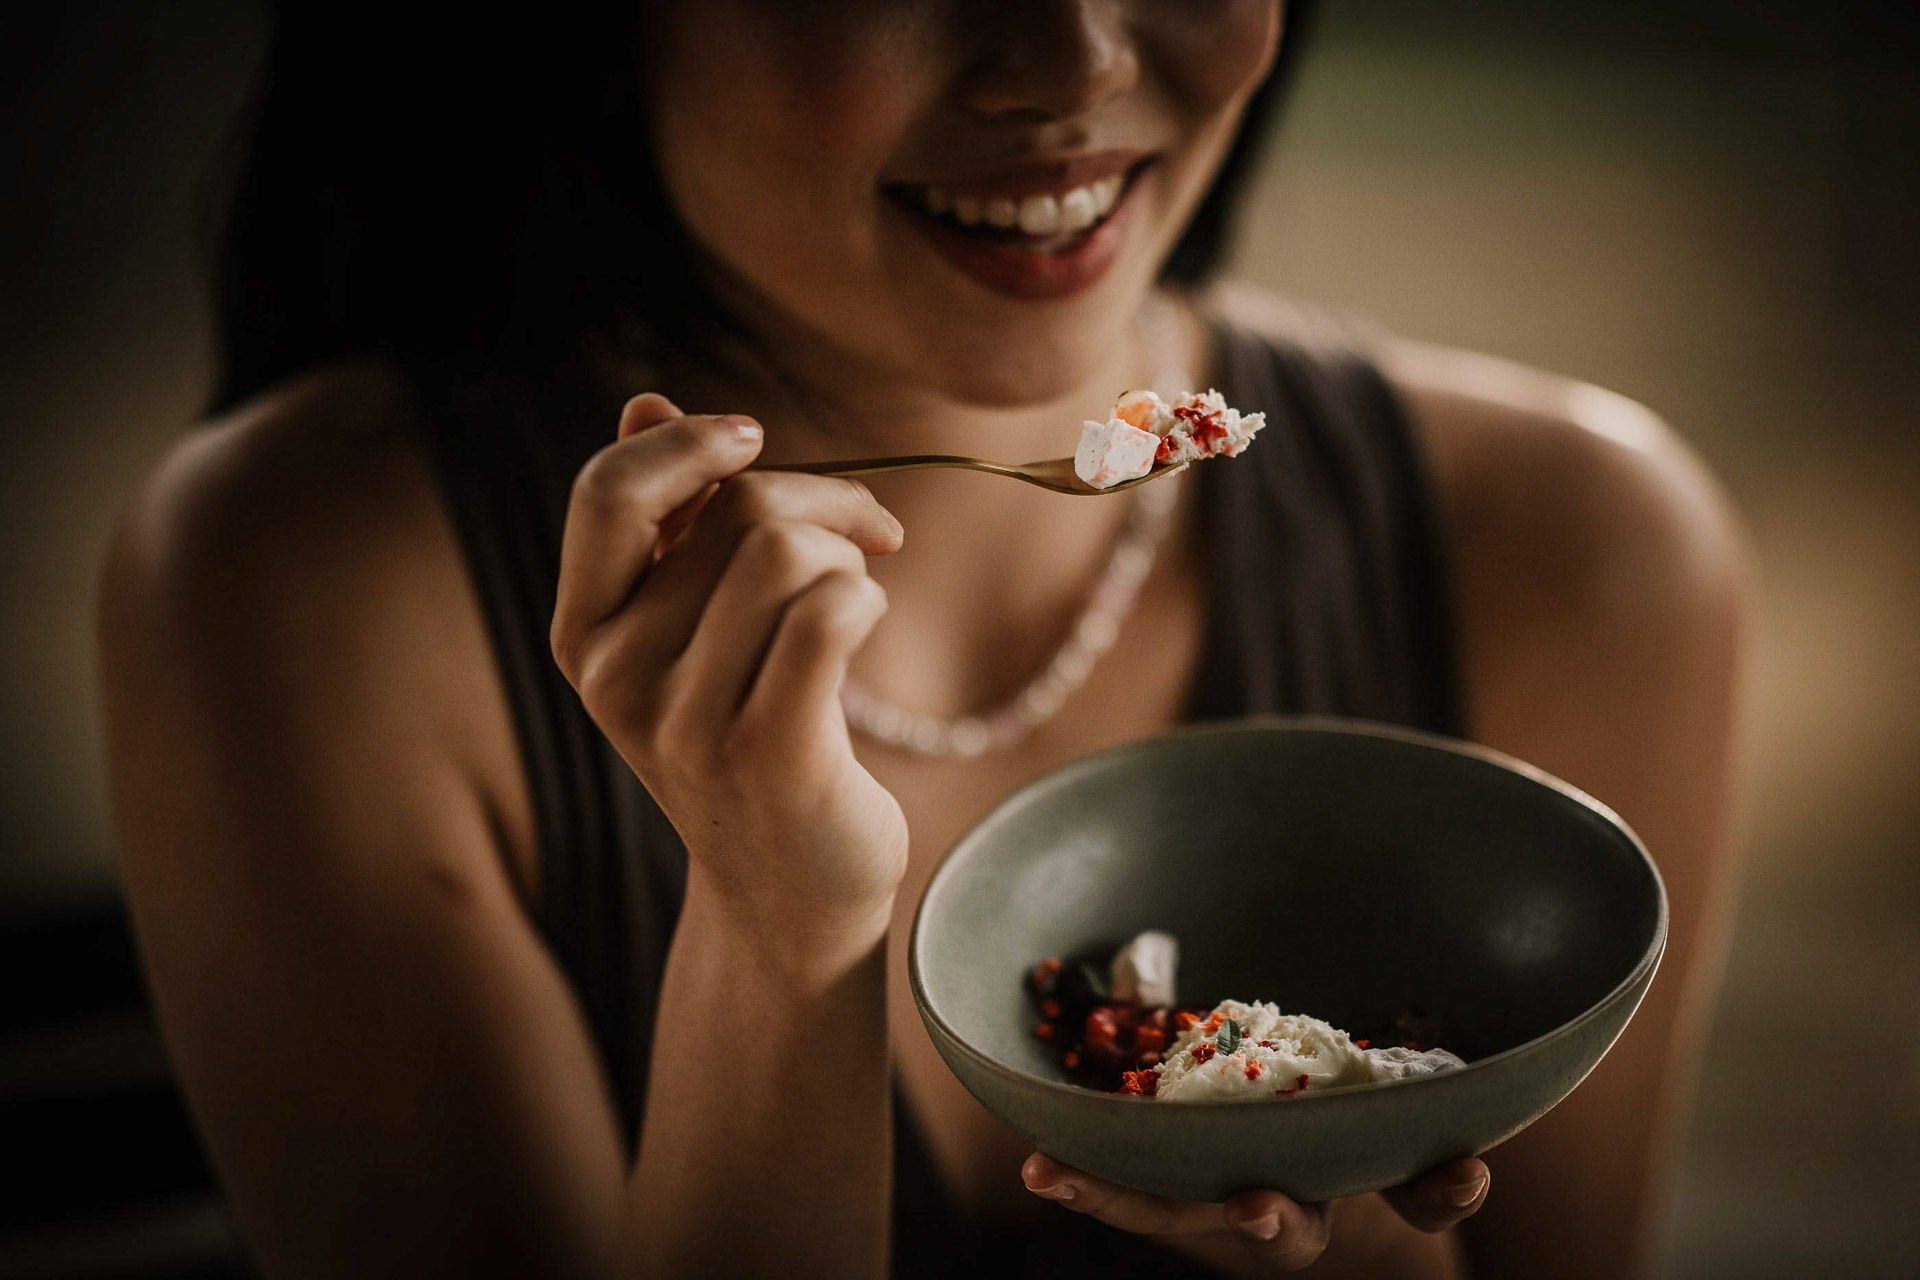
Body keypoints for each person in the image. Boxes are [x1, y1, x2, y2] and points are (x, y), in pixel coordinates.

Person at [97, 2, 1747, 1277]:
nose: (1069, 59)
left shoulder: (1580, 554)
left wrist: (1375, 1240)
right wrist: (772, 935)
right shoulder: (307, 583)